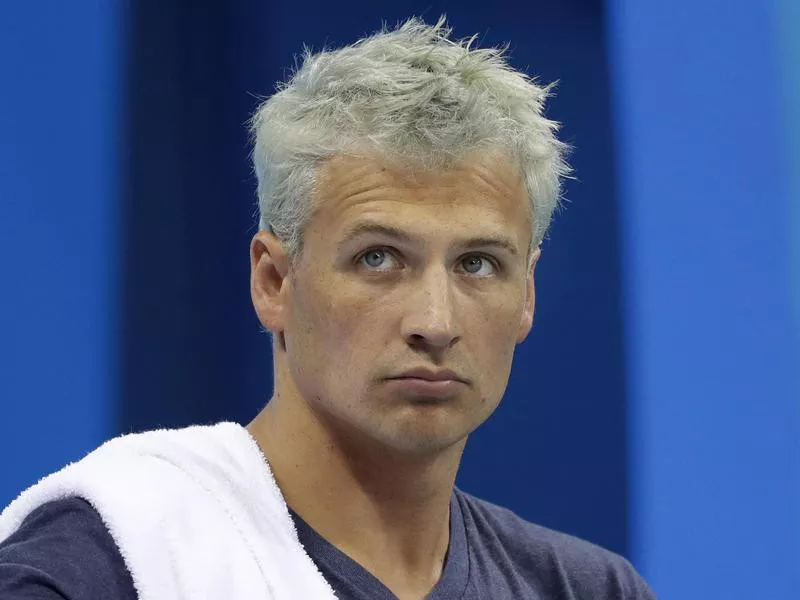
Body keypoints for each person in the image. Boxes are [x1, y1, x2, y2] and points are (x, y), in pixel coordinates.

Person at [0, 18, 655, 600]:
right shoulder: (112, 559)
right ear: (274, 281)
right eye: (378, 258)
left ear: (528, 296)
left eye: (477, 264)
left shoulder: (585, 588)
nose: (435, 321)